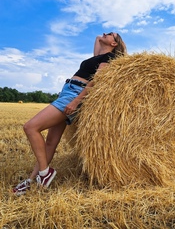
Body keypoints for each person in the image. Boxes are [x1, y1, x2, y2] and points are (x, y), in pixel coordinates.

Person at [13, 32, 127, 195]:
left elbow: (95, 81)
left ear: (114, 44)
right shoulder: (98, 56)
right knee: (51, 142)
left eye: (109, 34)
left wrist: (76, 101)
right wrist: (101, 38)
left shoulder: (108, 59)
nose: (104, 33)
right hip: (67, 92)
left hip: (75, 94)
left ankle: (45, 173)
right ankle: (32, 180)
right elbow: (96, 39)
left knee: (31, 127)